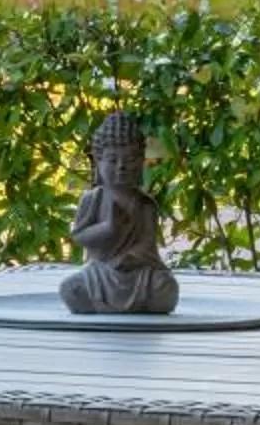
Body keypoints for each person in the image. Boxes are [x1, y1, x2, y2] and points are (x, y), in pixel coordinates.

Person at [59, 112, 179, 315]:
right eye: (113, 160)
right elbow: (79, 236)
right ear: (98, 161)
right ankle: (102, 302)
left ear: (141, 161)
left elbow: (147, 245)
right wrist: (107, 228)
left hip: (138, 273)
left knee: (166, 289)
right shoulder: (93, 198)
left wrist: (130, 258)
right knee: (70, 289)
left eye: (130, 160)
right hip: (100, 271)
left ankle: (118, 304)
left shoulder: (145, 204)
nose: (122, 166)